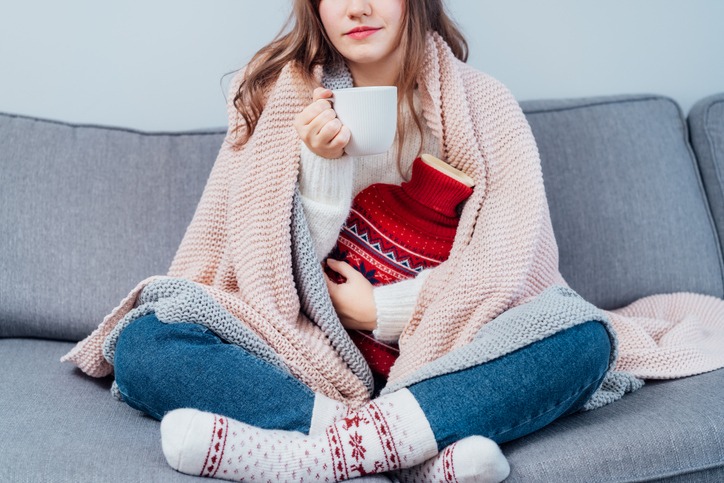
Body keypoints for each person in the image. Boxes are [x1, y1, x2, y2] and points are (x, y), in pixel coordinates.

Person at [60, 0, 724, 481]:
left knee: (585, 336)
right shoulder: (274, 101)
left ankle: (322, 454)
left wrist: (382, 312)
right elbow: (257, 269)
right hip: (302, 353)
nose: (358, 5)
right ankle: (410, 452)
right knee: (146, 339)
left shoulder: (485, 106)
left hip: (453, 345)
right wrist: (319, 171)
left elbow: (508, 266)